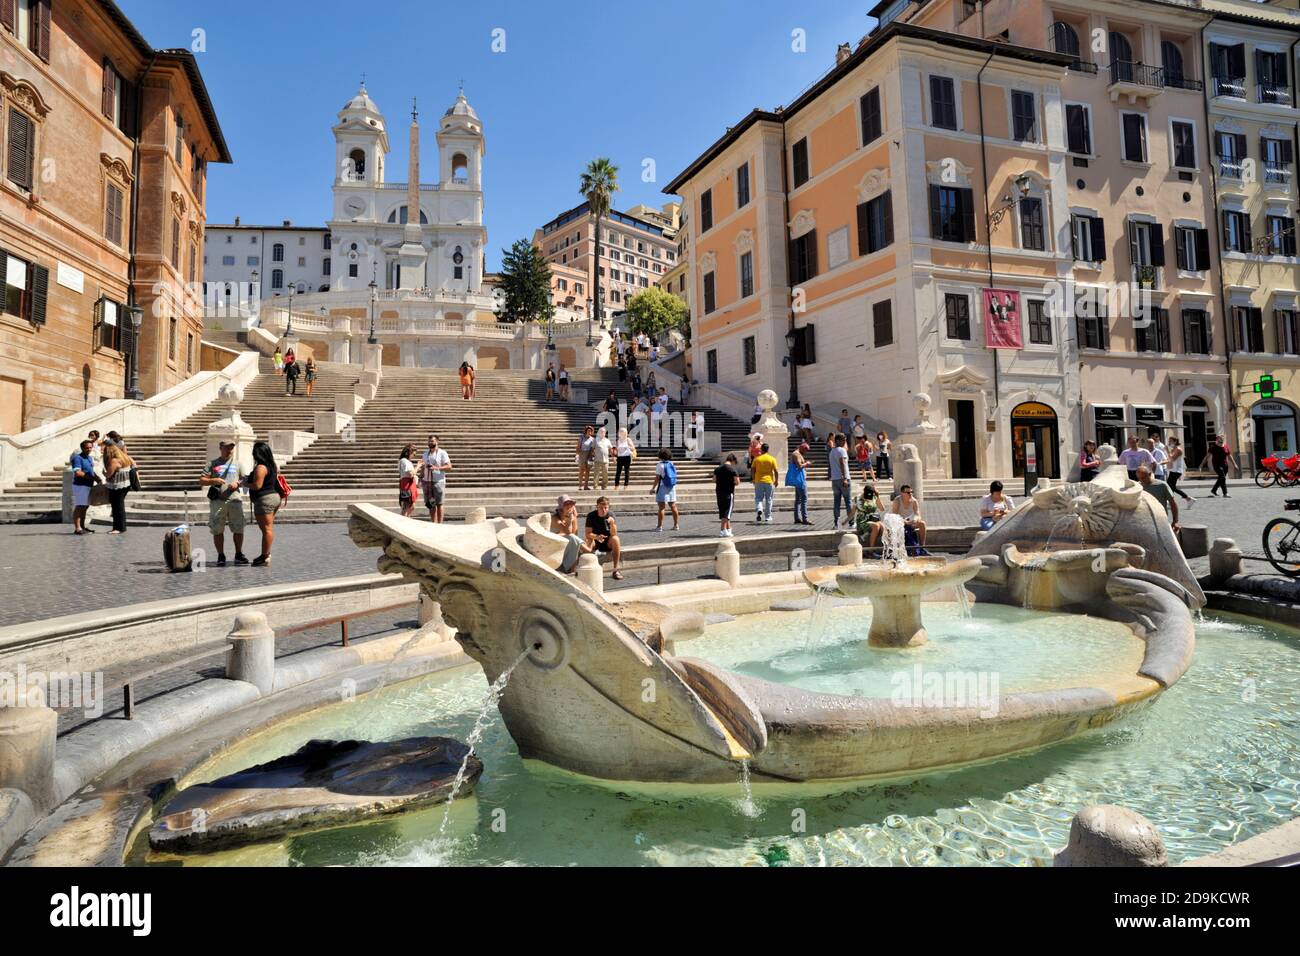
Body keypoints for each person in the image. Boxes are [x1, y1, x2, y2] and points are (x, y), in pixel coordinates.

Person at [201, 440, 249, 564]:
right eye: (227, 448)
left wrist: (238, 483)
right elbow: (202, 480)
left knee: (238, 528)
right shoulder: (212, 463)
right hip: (218, 501)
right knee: (217, 529)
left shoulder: (238, 464)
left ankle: (238, 554)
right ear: (220, 448)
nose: (230, 450)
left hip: (235, 500)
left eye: (232, 448)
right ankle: (221, 556)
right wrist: (214, 480)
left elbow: (245, 479)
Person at [246, 441, 282, 565]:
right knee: (268, 528)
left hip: (265, 499)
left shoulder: (261, 467)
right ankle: (266, 553)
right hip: (275, 497)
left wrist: (244, 483)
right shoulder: (273, 465)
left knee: (266, 529)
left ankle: (264, 556)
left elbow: (257, 485)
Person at [550, 495, 593, 574]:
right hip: (555, 546)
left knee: (574, 541)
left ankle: (572, 570)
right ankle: (587, 549)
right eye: (566, 505)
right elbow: (568, 532)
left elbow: (574, 533)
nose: (569, 507)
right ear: (561, 508)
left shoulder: (571, 516)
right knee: (573, 539)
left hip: (566, 544)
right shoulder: (555, 518)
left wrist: (574, 519)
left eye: (571, 505)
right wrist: (570, 520)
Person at [584, 496, 624, 580]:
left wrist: (612, 524)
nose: (604, 510)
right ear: (597, 507)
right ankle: (587, 568)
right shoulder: (591, 515)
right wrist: (596, 537)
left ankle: (616, 569)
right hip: (595, 540)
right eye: (601, 508)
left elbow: (614, 534)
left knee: (616, 539)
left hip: (607, 542)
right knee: (588, 540)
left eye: (605, 508)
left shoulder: (611, 515)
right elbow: (588, 533)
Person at [102, 442, 134, 535]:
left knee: (117, 507)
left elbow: (109, 474)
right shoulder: (125, 458)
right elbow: (134, 465)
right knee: (119, 506)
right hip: (125, 485)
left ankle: (119, 528)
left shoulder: (114, 461)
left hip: (117, 486)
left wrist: (104, 473)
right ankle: (120, 527)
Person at [69, 439, 100, 535]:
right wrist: (90, 477)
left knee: (85, 507)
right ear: (82, 448)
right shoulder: (77, 458)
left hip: (89, 485)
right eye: (87, 448)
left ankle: (82, 527)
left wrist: (96, 478)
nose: (89, 449)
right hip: (80, 486)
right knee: (80, 507)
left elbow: (90, 470)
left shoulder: (90, 458)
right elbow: (77, 472)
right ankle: (77, 528)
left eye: (90, 447)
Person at [1136, 465, 1180, 532]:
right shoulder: (1138, 487)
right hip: (1144, 521)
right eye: (1139, 478)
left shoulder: (1162, 485)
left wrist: (1175, 521)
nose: (1141, 480)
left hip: (1161, 519)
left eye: (1143, 477)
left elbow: (1173, 503)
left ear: (1150, 474)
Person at [420, 436, 452, 523]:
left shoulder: (442, 453)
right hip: (427, 481)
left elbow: (449, 466)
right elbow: (423, 466)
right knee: (431, 504)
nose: (430, 443)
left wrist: (436, 468)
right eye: (429, 441)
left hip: (438, 481)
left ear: (437, 442)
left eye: (432, 441)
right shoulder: (425, 453)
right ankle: (433, 523)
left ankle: (440, 523)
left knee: (439, 503)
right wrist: (421, 477)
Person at [652, 448, 680, 532]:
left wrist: (653, 488)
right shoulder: (671, 463)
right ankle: (676, 525)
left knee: (661, 507)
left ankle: (659, 526)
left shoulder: (659, 465)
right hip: (671, 486)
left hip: (662, 486)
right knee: (673, 506)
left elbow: (657, 478)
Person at [892, 484, 927, 551]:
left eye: (911, 492)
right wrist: (905, 522)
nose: (910, 494)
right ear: (902, 493)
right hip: (900, 522)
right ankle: (897, 548)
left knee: (922, 524)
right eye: (908, 492)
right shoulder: (897, 501)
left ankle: (922, 547)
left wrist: (915, 519)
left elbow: (917, 514)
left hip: (911, 521)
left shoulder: (914, 501)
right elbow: (895, 516)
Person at [751, 441, 779, 523]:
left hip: (758, 480)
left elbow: (752, 469)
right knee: (769, 499)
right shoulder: (772, 459)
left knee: (758, 498)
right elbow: (776, 471)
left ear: (761, 449)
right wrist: (776, 481)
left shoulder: (757, 459)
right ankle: (768, 516)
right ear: (768, 449)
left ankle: (759, 509)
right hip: (769, 481)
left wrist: (753, 478)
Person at [714, 453, 740, 537]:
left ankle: (728, 530)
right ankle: (722, 530)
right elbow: (737, 482)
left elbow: (714, 479)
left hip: (719, 492)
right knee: (727, 512)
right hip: (728, 492)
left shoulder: (718, 469)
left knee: (723, 511)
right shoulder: (732, 470)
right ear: (733, 461)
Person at [829, 433, 852, 528]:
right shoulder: (842, 450)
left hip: (834, 479)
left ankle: (836, 523)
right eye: (843, 440)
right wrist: (845, 478)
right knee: (848, 502)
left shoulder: (831, 451)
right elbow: (842, 463)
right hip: (843, 479)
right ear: (838, 441)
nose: (844, 442)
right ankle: (851, 523)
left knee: (836, 502)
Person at [786, 444, 810, 525]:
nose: (806, 452)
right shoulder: (796, 454)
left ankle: (797, 518)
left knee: (798, 500)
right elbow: (799, 466)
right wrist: (807, 464)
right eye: (806, 450)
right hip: (800, 480)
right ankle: (805, 519)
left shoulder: (797, 453)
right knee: (804, 499)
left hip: (799, 479)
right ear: (802, 448)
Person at [856, 485, 884, 550]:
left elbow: (882, 509)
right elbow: (856, 510)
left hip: (872, 520)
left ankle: (886, 550)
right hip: (862, 521)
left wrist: (878, 496)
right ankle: (871, 550)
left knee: (883, 526)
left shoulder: (874, 497)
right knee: (876, 526)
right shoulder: (858, 498)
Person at [1166, 437, 1193, 503]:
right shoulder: (1173, 449)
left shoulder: (1178, 449)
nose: (1169, 443)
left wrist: (1167, 450)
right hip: (1173, 470)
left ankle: (1171, 500)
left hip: (1177, 470)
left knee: (1170, 486)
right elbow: (1169, 459)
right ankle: (1187, 498)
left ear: (1175, 442)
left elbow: (1172, 459)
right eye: (1169, 441)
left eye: (1170, 441)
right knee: (1171, 486)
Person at [398, 443, 418, 517]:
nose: (414, 456)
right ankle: (402, 522)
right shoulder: (404, 461)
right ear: (408, 452)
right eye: (413, 453)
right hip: (406, 485)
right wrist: (418, 466)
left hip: (409, 484)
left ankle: (407, 519)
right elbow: (411, 474)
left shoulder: (407, 461)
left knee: (412, 506)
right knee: (405, 507)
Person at [576, 425, 596, 491]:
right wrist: (577, 455)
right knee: (582, 470)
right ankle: (580, 485)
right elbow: (578, 447)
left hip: (589, 455)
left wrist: (592, 456)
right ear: (586, 431)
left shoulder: (593, 439)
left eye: (591, 431)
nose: (589, 432)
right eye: (588, 431)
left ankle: (586, 486)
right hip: (582, 454)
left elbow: (593, 448)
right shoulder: (581, 438)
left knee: (588, 471)